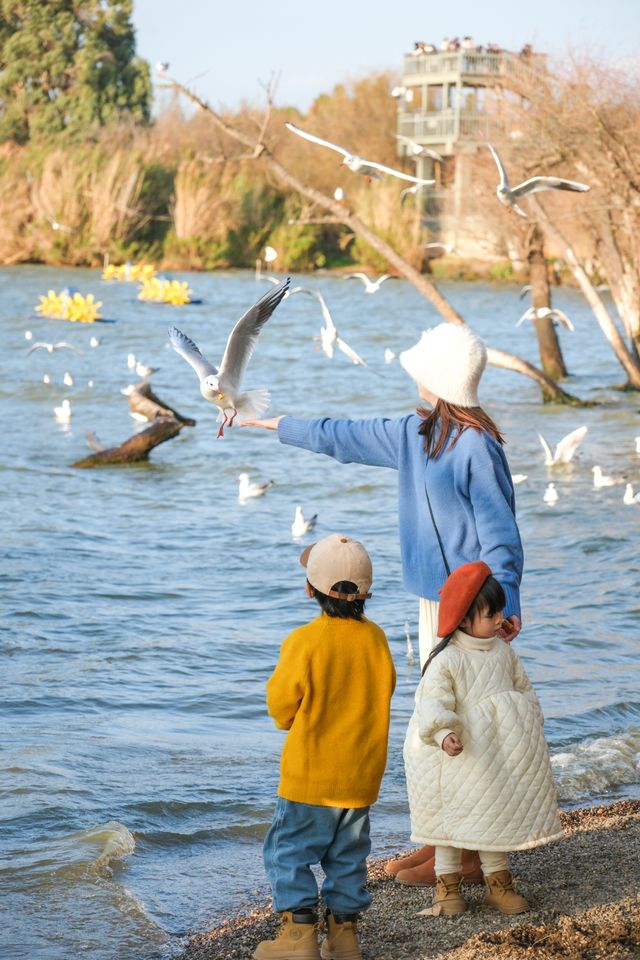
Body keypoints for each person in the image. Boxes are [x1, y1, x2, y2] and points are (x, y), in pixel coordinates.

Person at [242, 322, 524, 885]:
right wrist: (272, 424)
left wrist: (505, 602)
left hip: (471, 606)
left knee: (462, 724)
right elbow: (343, 435)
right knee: (435, 723)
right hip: (432, 601)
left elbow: (502, 533)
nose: (412, 374)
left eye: (421, 368)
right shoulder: (414, 433)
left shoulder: (476, 447)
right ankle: (441, 839)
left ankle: (468, 854)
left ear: (439, 379)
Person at [254, 534, 396, 960]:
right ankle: (344, 937)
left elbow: (281, 707)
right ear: (366, 594)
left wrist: (292, 717)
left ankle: (298, 937)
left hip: (310, 777)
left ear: (309, 589)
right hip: (360, 776)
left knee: (289, 851)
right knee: (348, 857)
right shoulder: (377, 640)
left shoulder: (304, 641)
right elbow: (384, 691)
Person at [405, 560, 562, 917]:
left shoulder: (502, 651)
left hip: (494, 755)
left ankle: (498, 884)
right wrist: (444, 733)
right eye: (490, 614)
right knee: (449, 821)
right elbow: (432, 703)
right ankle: (447, 888)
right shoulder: (447, 660)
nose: (499, 619)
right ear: (462, 619)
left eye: (499, 611)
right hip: (455, 755)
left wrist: (530, 718)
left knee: (493, 815)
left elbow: (523, 688)